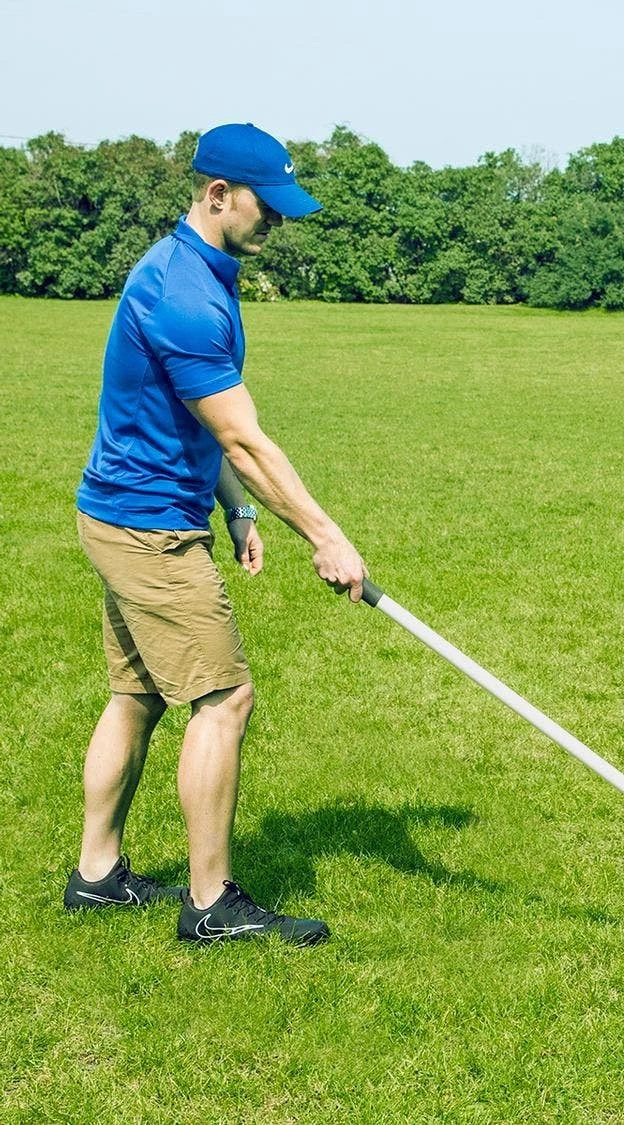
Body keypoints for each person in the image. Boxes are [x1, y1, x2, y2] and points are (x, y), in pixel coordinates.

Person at [66, 123, 368, 945]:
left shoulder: (191, 270)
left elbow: (195, 424)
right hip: (150, 530)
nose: (276, 224)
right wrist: (325, 535)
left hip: (124, 512)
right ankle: (211, 905)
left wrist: (234, 508)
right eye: (267, 209)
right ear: (217, 195)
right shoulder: (187, 295)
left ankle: (95, 876)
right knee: (223, 697)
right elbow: (240, 435)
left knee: (135, 696)